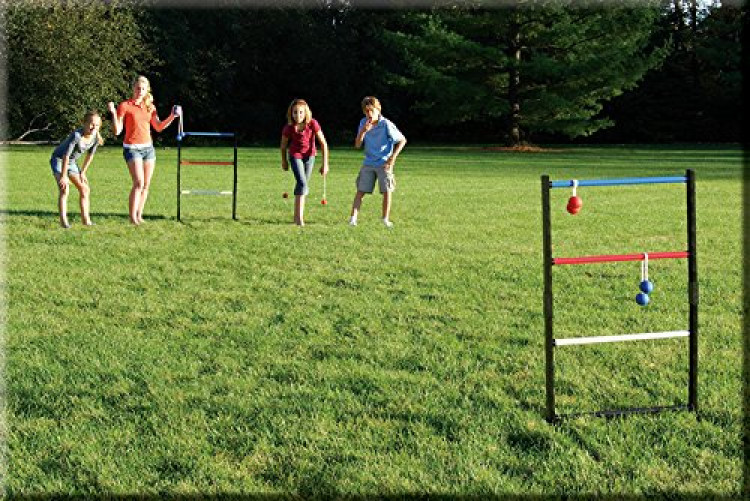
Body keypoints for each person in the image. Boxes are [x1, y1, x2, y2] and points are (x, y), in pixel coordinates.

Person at [107, 75, 178, 225]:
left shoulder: (150, 107)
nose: (140, 91)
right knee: (138, 183)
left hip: (148, 148)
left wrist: (172, 116)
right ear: (133, 88)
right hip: (132, 148)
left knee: (146, 185)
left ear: (147, 90)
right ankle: (132, 218)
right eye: (138, 88)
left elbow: (158, 126)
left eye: (143, 89)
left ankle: (139, 216)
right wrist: (113, 114)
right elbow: (117, 131)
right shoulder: (125, 106)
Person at [349, 96, 406, 228]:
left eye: (372, 111)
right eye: (366, 111)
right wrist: (363, 131)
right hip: (368, 163)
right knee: (360, 191)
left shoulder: (386, 124)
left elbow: (402, 140)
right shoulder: (363, 123)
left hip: (384, 163)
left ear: (378, 110)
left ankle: (385, 219)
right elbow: (357, 145)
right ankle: (353, 219)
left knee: (387, 191)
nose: (369, 114)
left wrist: (392, 159)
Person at [50, 110, 103, 228]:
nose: (94, 127)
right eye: (91, 123)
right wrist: (63, 176)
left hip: (72, 163)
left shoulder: (95, 138)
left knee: (85, 189)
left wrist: (83, 172)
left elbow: (90, 156)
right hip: (59, 160)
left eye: (97, 125)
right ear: (84, 123)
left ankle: (86, 221)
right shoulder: (76, 136)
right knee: (64, 189)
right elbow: (66, 156)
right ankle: (64, 222)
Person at [280, 98, 329, 226]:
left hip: (310, 156)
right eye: (295, 112)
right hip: (295, 155)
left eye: (301, 112)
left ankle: (297, 217)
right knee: (302, 182)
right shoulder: (289, 127)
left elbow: (323, 144)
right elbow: (283, 146)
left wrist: (325, 164)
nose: (298, 115)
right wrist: (284, 161)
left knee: (302, 184)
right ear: (291, 113)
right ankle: (299, 219)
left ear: (306, 113)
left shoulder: (312, 124)